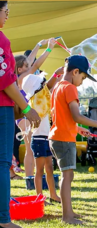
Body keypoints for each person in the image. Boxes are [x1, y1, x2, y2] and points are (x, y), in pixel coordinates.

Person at [49, 55, 97, 224]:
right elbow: (77, 116)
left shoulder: (57, 87)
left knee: (67, 176)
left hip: (58, 136)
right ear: (75, 71)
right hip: (63, 139)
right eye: (83, 77)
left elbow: (62, 117)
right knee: (67, 176)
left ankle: (69, 212)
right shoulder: (70, 88)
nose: (82, 82)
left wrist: (77, 129)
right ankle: (67, 217)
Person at [0, 0, 41, 228]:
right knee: (3, 163)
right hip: (2, 109)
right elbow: (5, 80)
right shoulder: (1, 39)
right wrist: (26, 108)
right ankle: (4, 219)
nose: (7, 16)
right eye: (6, 11)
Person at [15, 38, 56, 177]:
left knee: (30, 148)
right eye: (27, 66)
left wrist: (38, 44)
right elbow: (36, 63)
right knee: (30, 148)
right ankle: (31, 178)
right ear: (20, 69)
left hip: (25, 115)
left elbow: (30, 60)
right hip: (24, 115)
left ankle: (31, 178)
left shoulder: (21, 75)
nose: (30, 67)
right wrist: (49, 48)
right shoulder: (22, 78)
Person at [22, 72, 64, 204]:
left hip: (46, 137)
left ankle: (53, 195)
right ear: (36, 87)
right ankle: (39, 198)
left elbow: (48, 85)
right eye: (41, 83)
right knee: (39, 171)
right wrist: (56, 74)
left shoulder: (42, 95)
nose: (43, 84)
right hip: (39, 139)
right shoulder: (36, 98)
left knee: (49, 169)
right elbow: (48, 85)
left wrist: (57, 74)